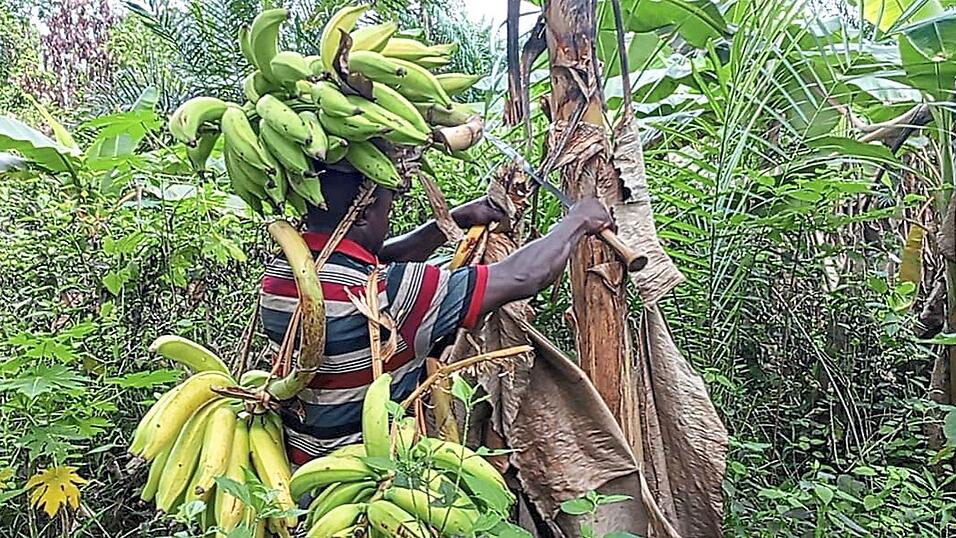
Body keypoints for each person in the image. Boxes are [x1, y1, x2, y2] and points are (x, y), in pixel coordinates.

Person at [259, 166, 615, 464]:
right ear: (366, 214)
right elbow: (523, 277)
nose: (389, 216)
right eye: (387, 208)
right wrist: (577, 222)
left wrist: (452, 221)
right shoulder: (394, 292)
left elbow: (369, 258)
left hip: (299, 466)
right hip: (369, 476)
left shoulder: (279, 279)